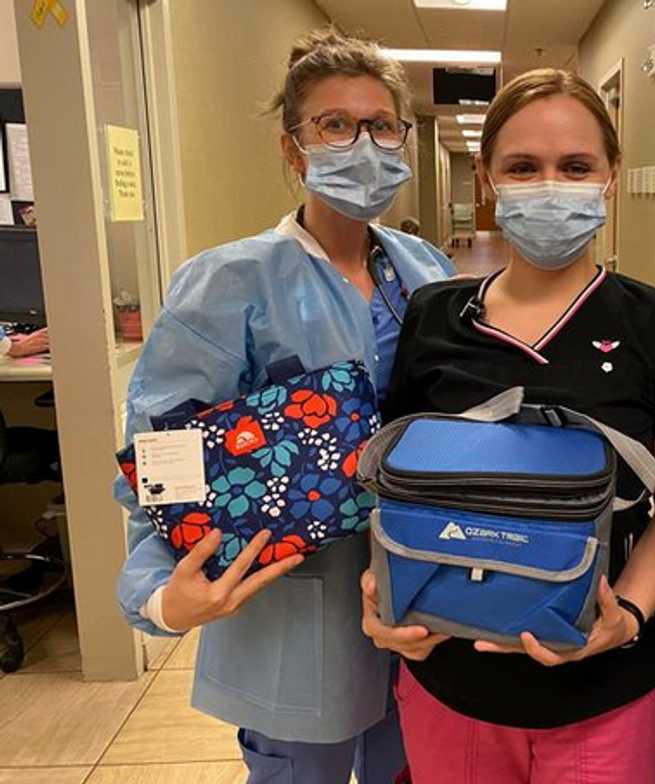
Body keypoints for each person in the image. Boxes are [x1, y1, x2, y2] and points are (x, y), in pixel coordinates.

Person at [359, 68, 655, 784]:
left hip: (609, 689)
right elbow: (398, 495)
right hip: (452, 686)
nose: (550, 184)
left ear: (611, 177)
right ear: (490, 181)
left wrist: (628, 615)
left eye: (576, 166)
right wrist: (382, 608)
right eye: (523, 167)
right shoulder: (435, 316)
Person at [114, 28, 454, 783]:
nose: (362, 144)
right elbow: (161, 455)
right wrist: (157, 595)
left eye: (381, 125)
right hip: (295, 606)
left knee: (412, 765)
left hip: (416, 585)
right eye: (335, 125)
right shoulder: (230, 282)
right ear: (294, 148)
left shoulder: (426, 267)